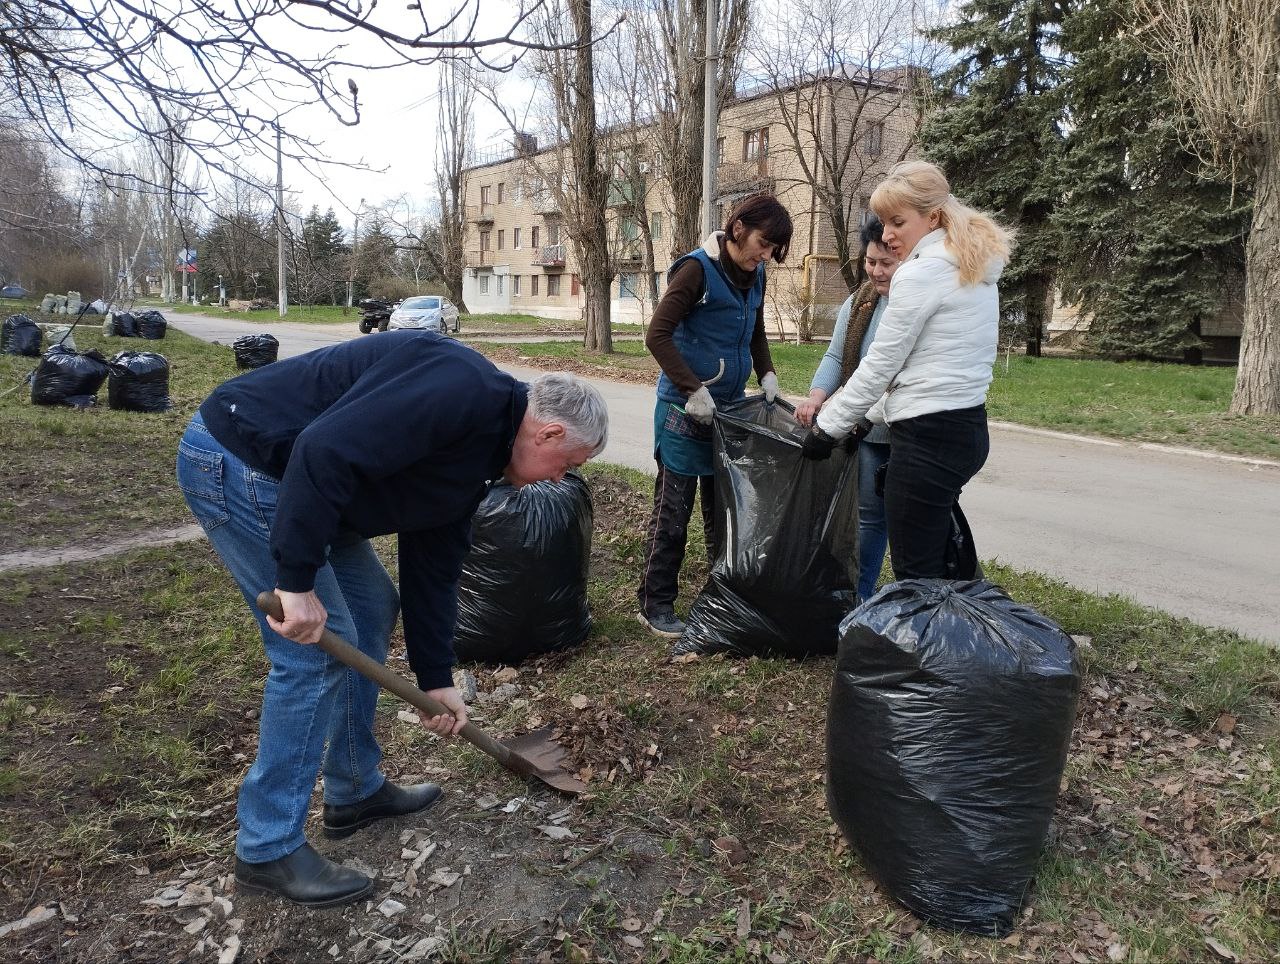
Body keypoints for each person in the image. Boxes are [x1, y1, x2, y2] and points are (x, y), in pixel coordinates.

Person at [175, 330, 608, 908]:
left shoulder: (484, 451)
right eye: (566, 464)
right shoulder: (459, 389)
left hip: (311, 484)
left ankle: (354, 789)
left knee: (375, 606)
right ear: (549, 432)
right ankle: (267, 846)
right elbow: (322, 450)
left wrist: (436, 677)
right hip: (247, 459)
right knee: (314, 651)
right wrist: (297, 581)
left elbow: (435, 559)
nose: (559, 479)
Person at [802, 161, 1013, 582]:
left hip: (926, 440)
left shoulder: (920, 274)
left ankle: (937, 645)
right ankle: (973, 632)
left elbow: (882, 365)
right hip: (965, 429)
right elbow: (924, 374)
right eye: (883, 222)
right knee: (942, 556)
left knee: (917, 573)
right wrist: (866, 420)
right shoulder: (971, 268)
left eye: (898, 222)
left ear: (932, 217)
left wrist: (828, 429)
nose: (887, 234)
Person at [637, 193, 794, 637]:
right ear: (738, 227)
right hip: (683, 411)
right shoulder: (696, 270)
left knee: (722, 510)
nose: (765, 256)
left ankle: (720, 594)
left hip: (727, 411)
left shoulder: (755, 272)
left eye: (772, 251)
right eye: (763, 244)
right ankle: (655, 603)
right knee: (673, 511)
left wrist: (766, 372)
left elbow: (756, 328)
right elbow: (657, 334)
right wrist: (692, 388)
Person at [795, 216, 899, 602]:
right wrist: (817, 396)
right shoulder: (860, 303)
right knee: (869, 520)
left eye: (885, 263)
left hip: (908, 432)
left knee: (909, 524)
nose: (876, 270)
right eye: (871, 261)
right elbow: (837, 355)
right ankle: (861, 599)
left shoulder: (913, 303)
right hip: (869, 434)